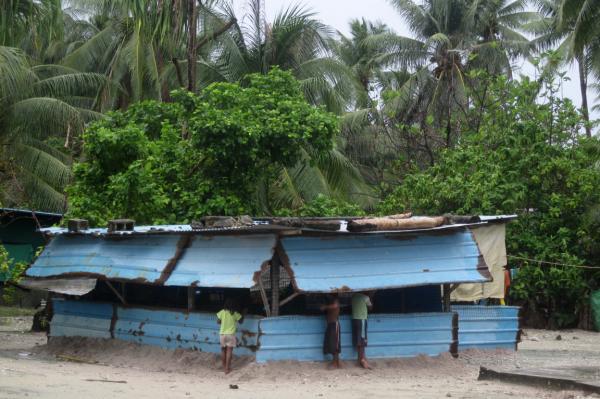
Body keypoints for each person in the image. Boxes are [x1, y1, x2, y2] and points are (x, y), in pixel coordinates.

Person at [216, 298, 244, 374]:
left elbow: (218, 322)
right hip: (231, 335)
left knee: (223, 351)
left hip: (222, 334)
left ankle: (224, 367)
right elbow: (241, 321)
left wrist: (223, 321)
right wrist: (243, 313)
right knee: (229, 351)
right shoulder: (235, 313)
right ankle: (227, 369)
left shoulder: (222, 312)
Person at [351, 291, 373, 369]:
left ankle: (360, 359)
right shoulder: (366, 297)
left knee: (358, 340)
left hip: (354, 320)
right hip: (362, 320)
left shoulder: (353, 296)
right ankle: (362, 360)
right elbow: (370, 308)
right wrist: (371, 298)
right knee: (362, 341)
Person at [320, 295, 341, 369]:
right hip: (330, 324)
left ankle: (335, 363)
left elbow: (335, 306)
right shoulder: (330, 302)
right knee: (331, 344)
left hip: (334, 324)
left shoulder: (335, 300)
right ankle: (336, 362)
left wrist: (325, 307)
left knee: (334, 344)